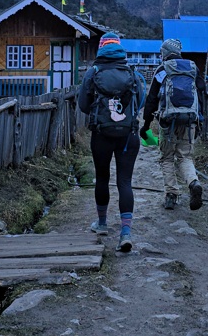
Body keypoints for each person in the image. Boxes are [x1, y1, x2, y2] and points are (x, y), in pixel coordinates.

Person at [77, 32, 142, 252]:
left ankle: (102, 224)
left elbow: (83, 106)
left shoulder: (93, 72)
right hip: (128, 136)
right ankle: (126, 232)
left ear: (101, 48)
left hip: (101, 135)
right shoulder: (132, 72)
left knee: (102, 178)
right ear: (120, 49)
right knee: (125, 181)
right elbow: (139, 102)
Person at [140, 38, 207, 210]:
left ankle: (171, 195)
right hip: (190, 121)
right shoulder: (193, 68)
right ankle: (193, 183)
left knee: (167, 158)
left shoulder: (163, 70)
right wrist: (200, 120)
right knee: (185, 157)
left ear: (164, 53)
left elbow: (152, 99)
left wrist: (146, 124)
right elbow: (202, 93)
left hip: (167, 122)